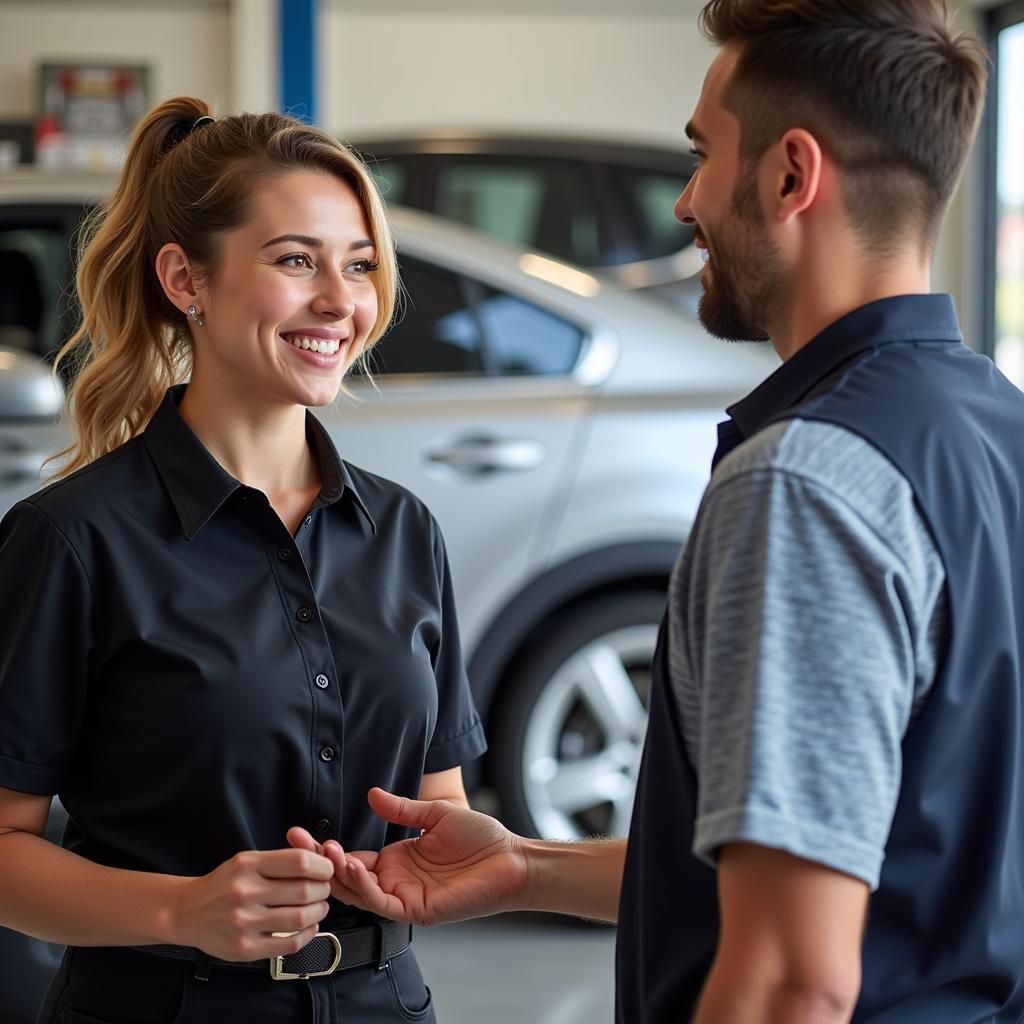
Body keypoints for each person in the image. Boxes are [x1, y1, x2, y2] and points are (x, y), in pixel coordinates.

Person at [315, 2, 1024, 1021]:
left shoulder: (807, 483)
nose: (686, 201)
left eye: (702, 155)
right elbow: (886, 853)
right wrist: (525, 865)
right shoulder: (993, 428)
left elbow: (793, 977)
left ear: (789, 174)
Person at [0, 96, 486, 1024]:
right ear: (186, 278)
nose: (342, 303)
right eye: (295, 260)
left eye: (359, 265)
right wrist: (180, 908)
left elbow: (438, 797)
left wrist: (460, 854)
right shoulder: (73, 540)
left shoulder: (405, 531)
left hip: (390, 1003)